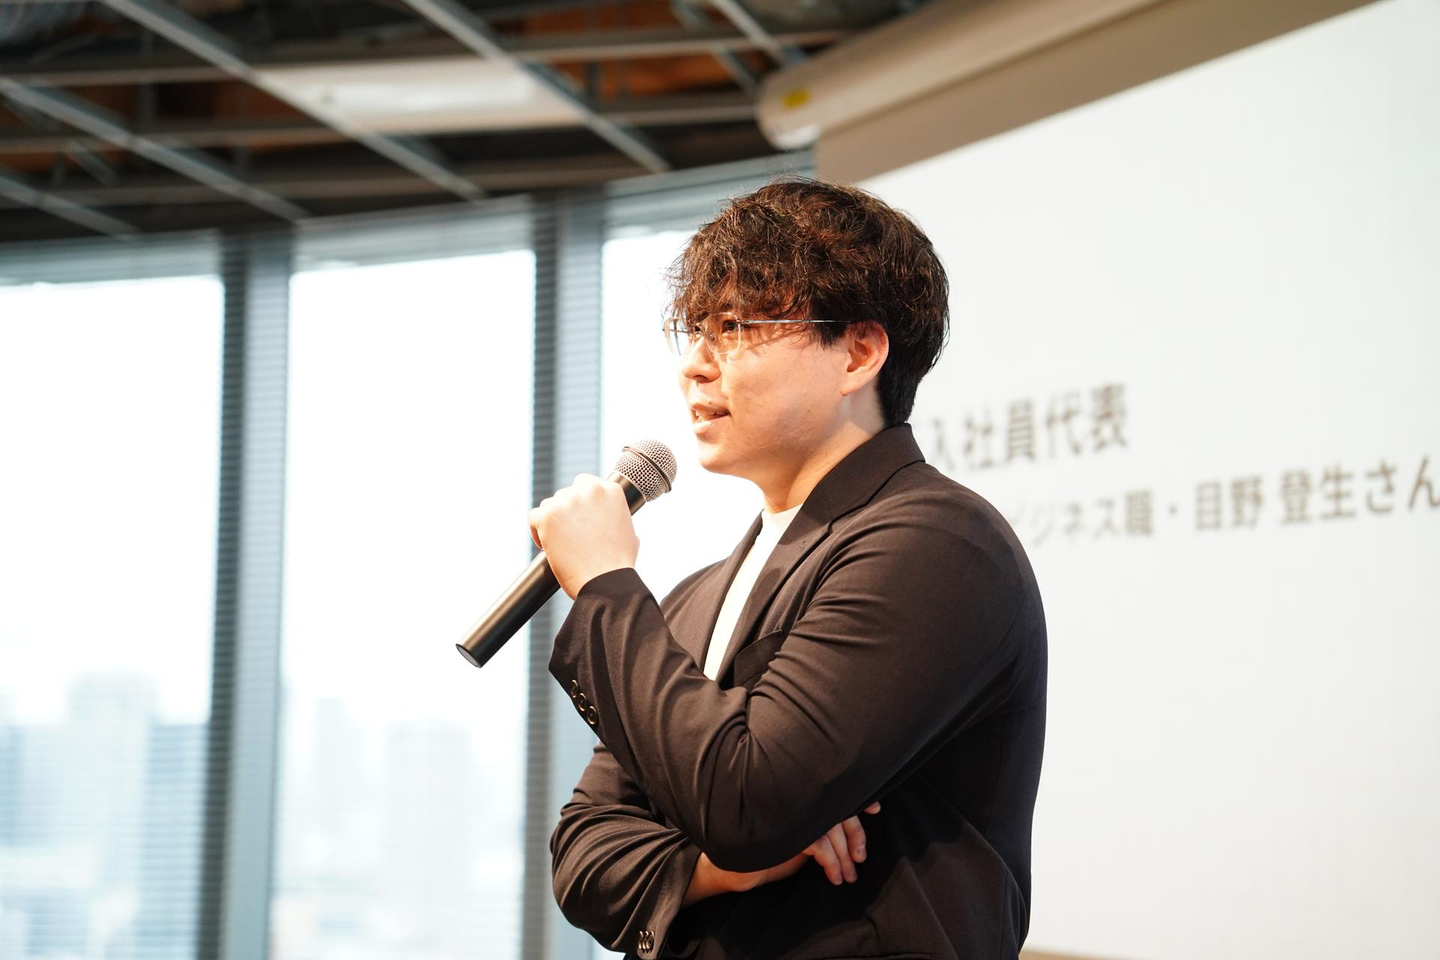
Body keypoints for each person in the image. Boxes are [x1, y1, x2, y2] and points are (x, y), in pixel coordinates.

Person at [528, 177, 1047, 959]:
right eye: (695, 331)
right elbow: (583, 856)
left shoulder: (937, 543)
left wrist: (605, 584)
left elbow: (748, 800)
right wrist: (714, 868)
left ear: (858, 353)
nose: (694, 366)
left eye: (733, 327)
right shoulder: (697, 595)